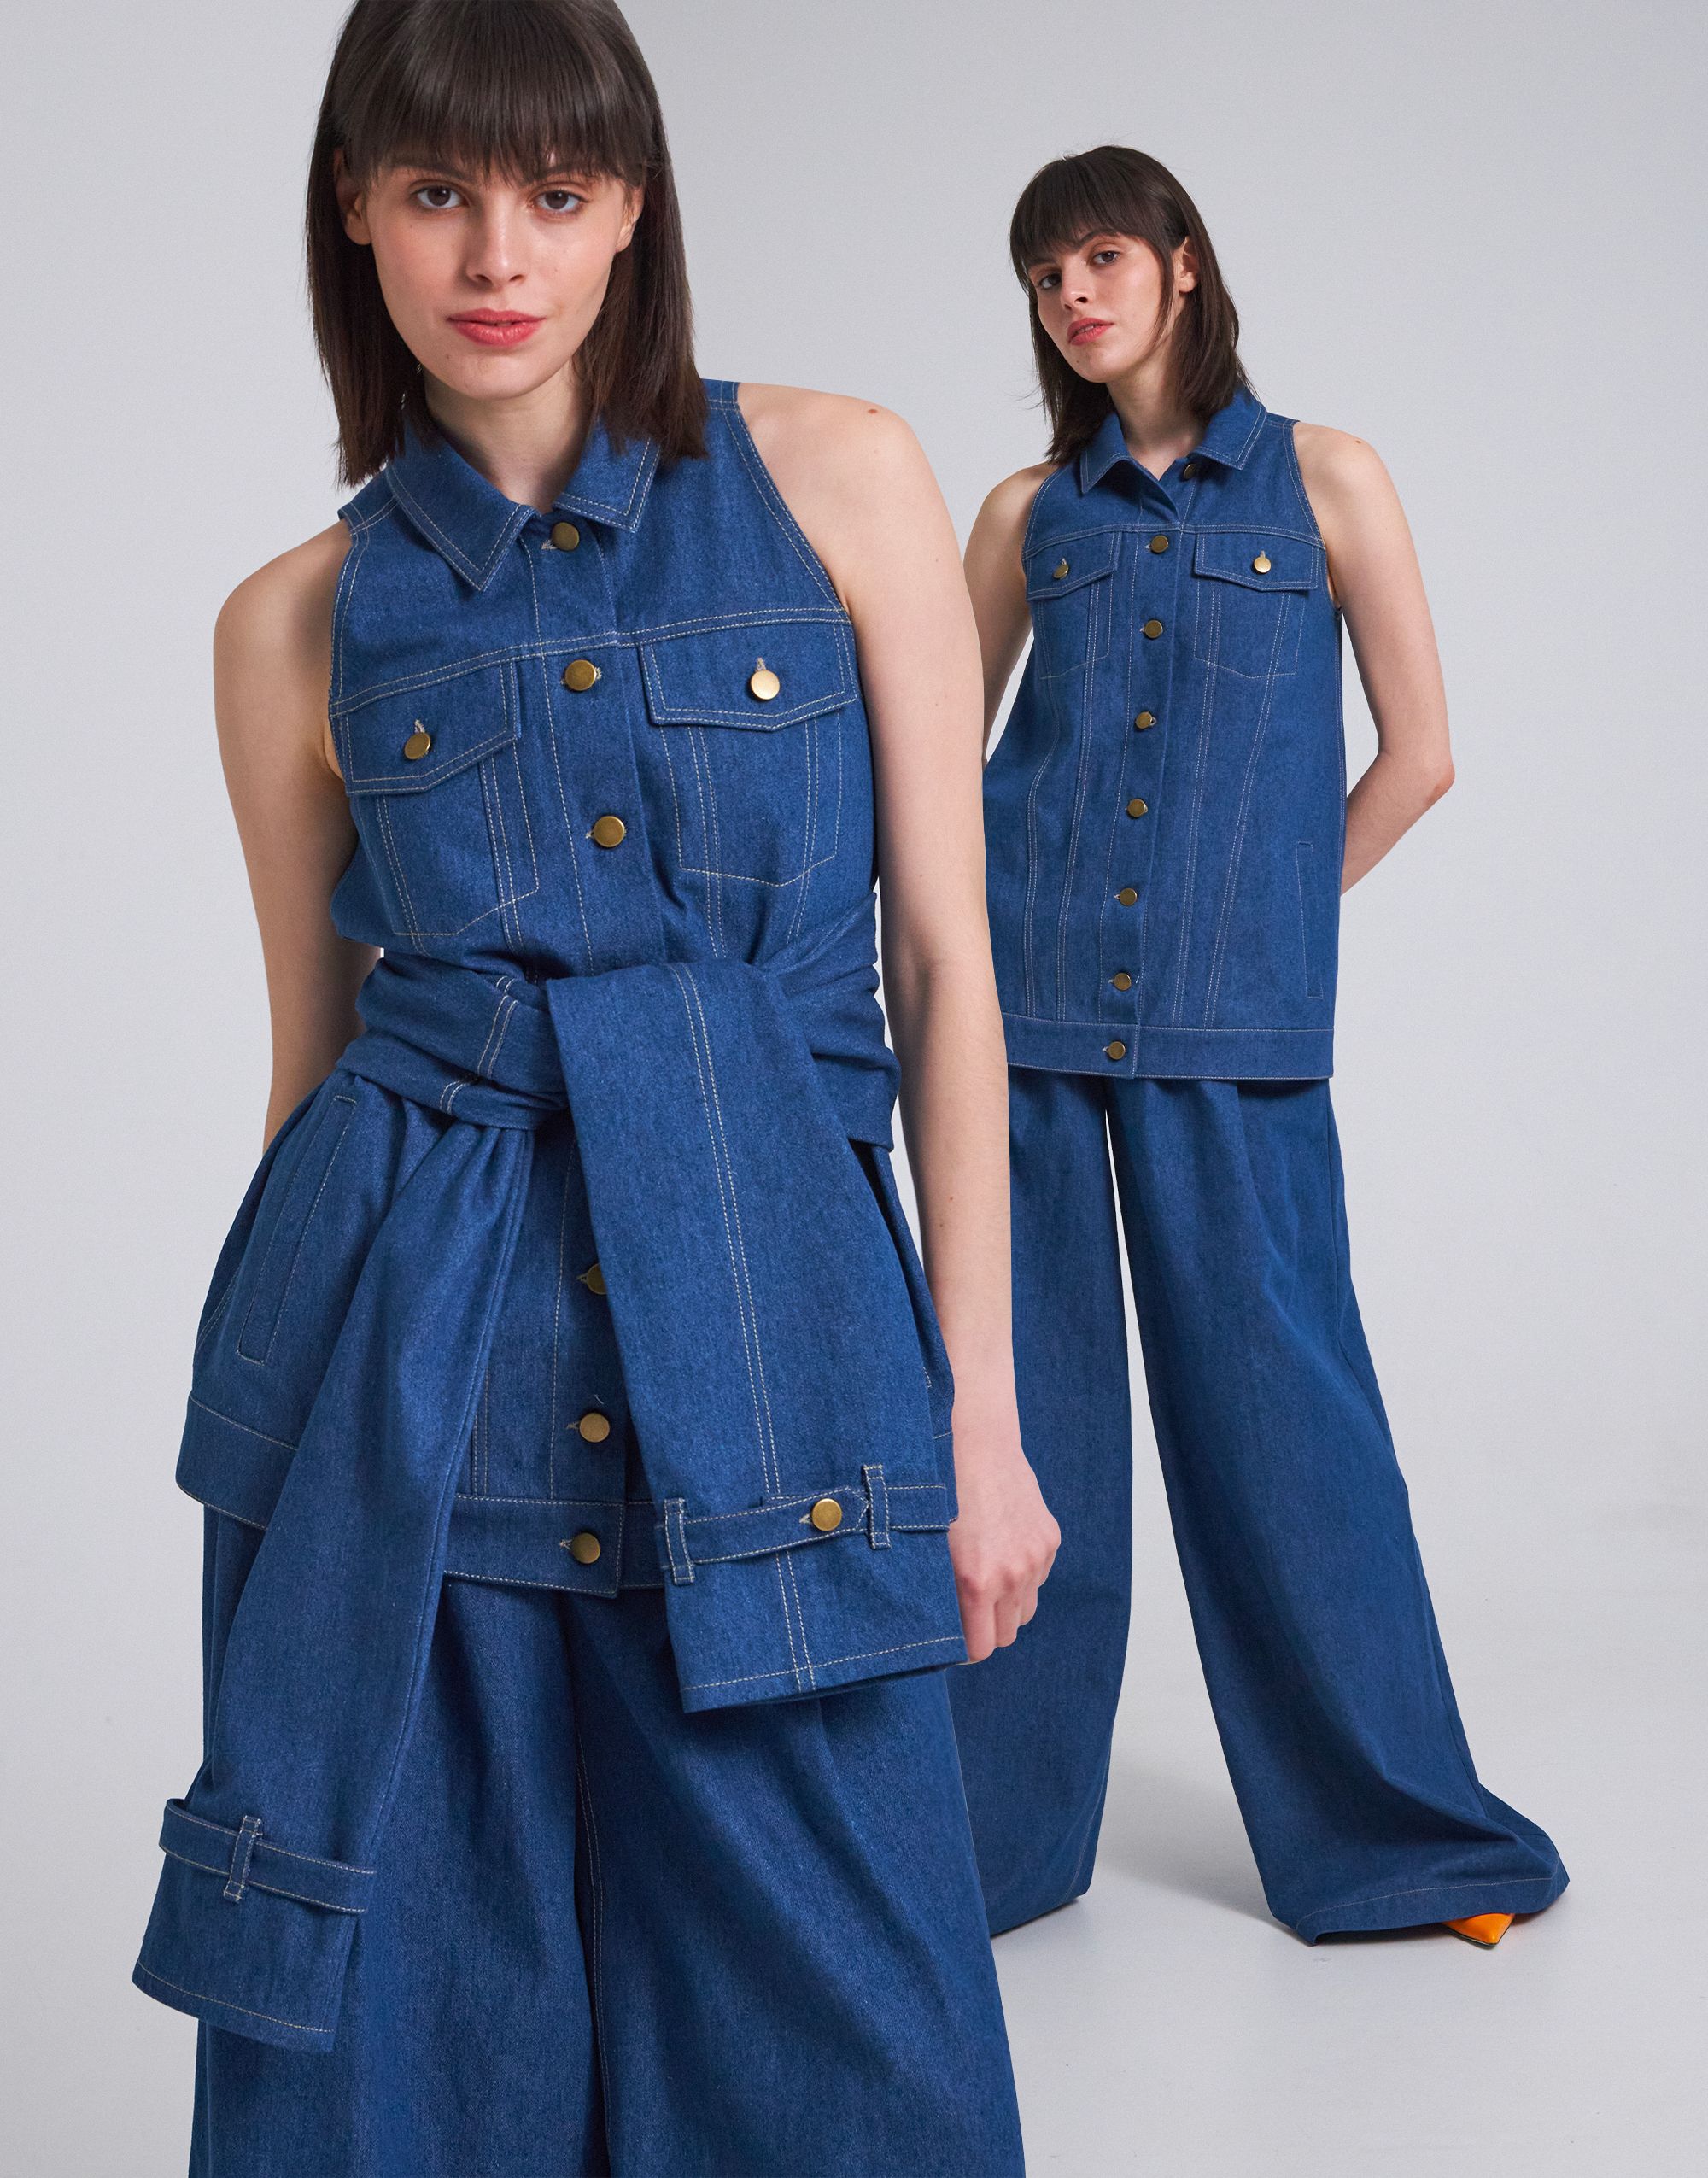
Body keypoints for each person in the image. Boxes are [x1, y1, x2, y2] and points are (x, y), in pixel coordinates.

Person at [131, 3, 1053, 2170]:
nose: (496, 255)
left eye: (553, 192)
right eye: (435, 192)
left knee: (864, 2065)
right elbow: (315, 1067)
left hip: (786, 1369)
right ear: (355, 210)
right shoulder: (291, 626)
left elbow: (945, 966)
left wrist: (980, 1413)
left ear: (630, 204)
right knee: (407, 2068)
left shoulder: (839, 474)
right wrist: (294, 1485)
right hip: (412, 1388)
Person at [951, 143, 1565, 1951]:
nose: (1075, 294)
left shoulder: (1329, 478)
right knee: (1023, 1435)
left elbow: (1420, 756)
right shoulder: (1023, 513)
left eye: (1101, 256)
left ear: (1185, 265)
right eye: (1045, 273)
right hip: (1025, 1023)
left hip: (1236, 1031)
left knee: (1291, 1433)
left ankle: (1400, 1837)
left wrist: (1272, 918)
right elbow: (932, 758)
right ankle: (985, 1851)